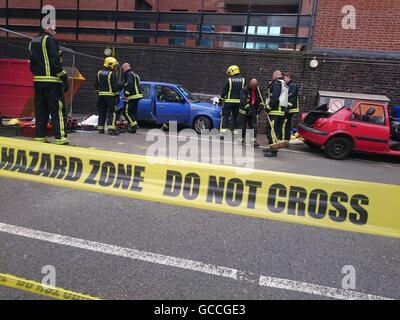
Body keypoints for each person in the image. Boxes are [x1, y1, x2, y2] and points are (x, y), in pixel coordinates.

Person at [29, 25, 69, 145]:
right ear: (47, 29)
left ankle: (40, 137)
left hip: (38, 81)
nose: (55, 32)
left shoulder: (32, 41)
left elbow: (31, 64)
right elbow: (55, 61)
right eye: (53, 29)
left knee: (41, 110)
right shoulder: (50, 40)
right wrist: (64, 77)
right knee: (58, 110)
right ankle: (61, 139)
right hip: (52, 82)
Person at [95, 57, 120, 136]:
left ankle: (100, 129)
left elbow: (96, 85)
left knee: (102, 112)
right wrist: (117, 96)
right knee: (113, 112)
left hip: (101, 96)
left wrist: (98, 94)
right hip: (110, 96)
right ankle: (111, 129)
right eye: (114, 65)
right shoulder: (111, 74)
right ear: (110, 65)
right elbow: (114, 86)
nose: (115, 67)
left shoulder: (99, 73)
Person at [220, 65, 246, 137]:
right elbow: (245, 91)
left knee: (225, 117)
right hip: (239, 103)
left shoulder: (229, 80)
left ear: (232, 71)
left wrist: (221, 99)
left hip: (228, 102)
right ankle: (236, 134)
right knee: (236, 118)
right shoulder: (243, 80)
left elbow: (224, 91)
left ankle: (222, 133)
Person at [265, 70, 288, 145]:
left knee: (271, 131)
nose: (272, 77)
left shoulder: (277, 83)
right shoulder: (283, 83)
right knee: (275, 131)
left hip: (274, 111)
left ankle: (273, 150)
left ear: (275, 75)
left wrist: (268, 108)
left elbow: (275, 97)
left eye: (273, 75)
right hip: (280, 111)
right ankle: (271, 147)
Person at [238, 79, 263, 147]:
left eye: (255, 86)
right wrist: (248, 108)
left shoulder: (257, 90)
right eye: (253, 86)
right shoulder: (244, 90)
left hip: (253, 111)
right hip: (244, 112)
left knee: (253, 126)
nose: (254, 88)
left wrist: (260, 107)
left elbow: (260, 99)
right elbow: (243, 101)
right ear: (250, 84)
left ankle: (253, 141)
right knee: (242, 126)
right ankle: (241, 140)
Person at [121, 63, 143, 134]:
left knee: (126, 112)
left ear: (126, 67)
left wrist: (126, 94)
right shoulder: (135, 74)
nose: (123, 70)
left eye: (123, 68)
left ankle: (134, 125)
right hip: (137, 96)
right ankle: (133, 129)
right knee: (133, 112)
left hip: (131, 96)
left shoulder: (129, 74)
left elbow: (130, 84)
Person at [282, 72, 300, 144]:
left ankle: (283, 140)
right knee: (287, 124)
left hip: (290, 109)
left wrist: (287, 107)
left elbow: (291, 97)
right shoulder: (289, 85)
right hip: (290, 108)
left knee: (284, 124)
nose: (284, 79)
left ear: (288, 77)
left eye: (284, 78)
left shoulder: (292, 85)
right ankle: (286, 139)